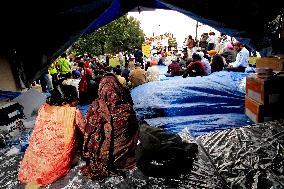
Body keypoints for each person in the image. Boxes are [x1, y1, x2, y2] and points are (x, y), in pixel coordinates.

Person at [19, 85, 85, 187]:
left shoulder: (43, 108)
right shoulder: (73, 113)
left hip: (34, 161)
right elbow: (85, 133)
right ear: (64, 103)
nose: (77, 102)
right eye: (76, 99)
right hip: (54, 164)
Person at [81, 73, 139, 179]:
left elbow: (88, 131)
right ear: (117, 88)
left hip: (98, 160)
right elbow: (134, 129)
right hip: (122, 160)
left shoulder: (94, 108)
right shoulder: (125, 109)